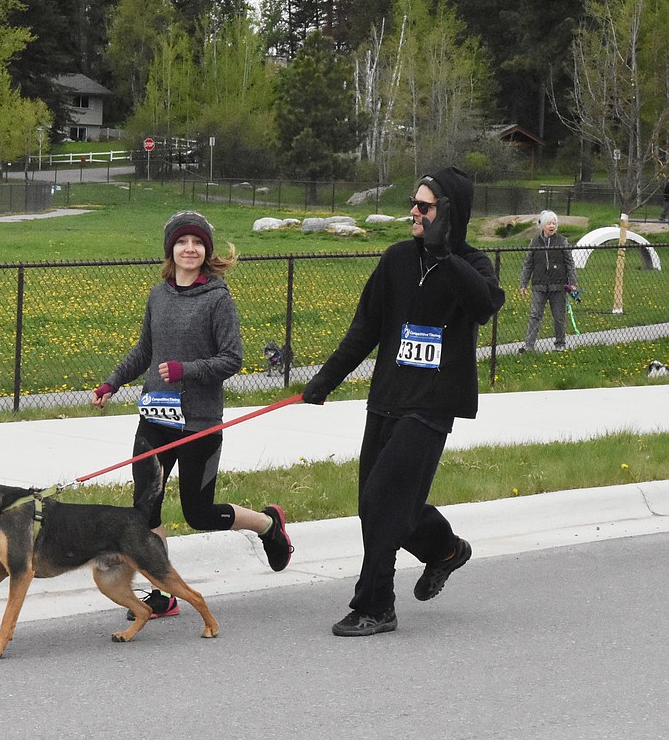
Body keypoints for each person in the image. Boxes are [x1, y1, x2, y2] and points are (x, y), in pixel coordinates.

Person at [301, 168, 505, 637]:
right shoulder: (395, 260)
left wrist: (445, 252)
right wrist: (324, 382)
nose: (414, 212)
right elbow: (364, 331)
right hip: (387, 400)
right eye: (415, 204)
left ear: (449, 214)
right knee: (378, 505)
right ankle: (445, 549)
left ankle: (375, 605)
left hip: (432, 407)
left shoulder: (473, 266)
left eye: (425, 206)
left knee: (384, 500)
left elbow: (484, 306)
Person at [91, 210, 293, 618]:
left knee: (199, 514)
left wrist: (188, 370)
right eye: (182, 242)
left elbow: (232, 358)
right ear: (171, 249)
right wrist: (112, 382)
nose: (189, 248)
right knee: (145, 507)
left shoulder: (217, 298)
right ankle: (164, 593)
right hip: (155, 417)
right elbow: (146, 351)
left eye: (197, 243)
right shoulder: (159, 294)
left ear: (206, 251)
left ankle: (269, 525)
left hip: (199, 421)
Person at [518, 210, 578, 353]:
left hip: (558, 285)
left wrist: (573, 282)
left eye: (554, 223)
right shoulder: (534, 242)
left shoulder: (562, 241)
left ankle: (560, 344)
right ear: (543, 226)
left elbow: (570, 263)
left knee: (559, 316)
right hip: (539, 285)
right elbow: (528, 264)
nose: (552, 226)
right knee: (535, 315)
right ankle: (529, 345)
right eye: (549, 223)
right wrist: (523, 284)